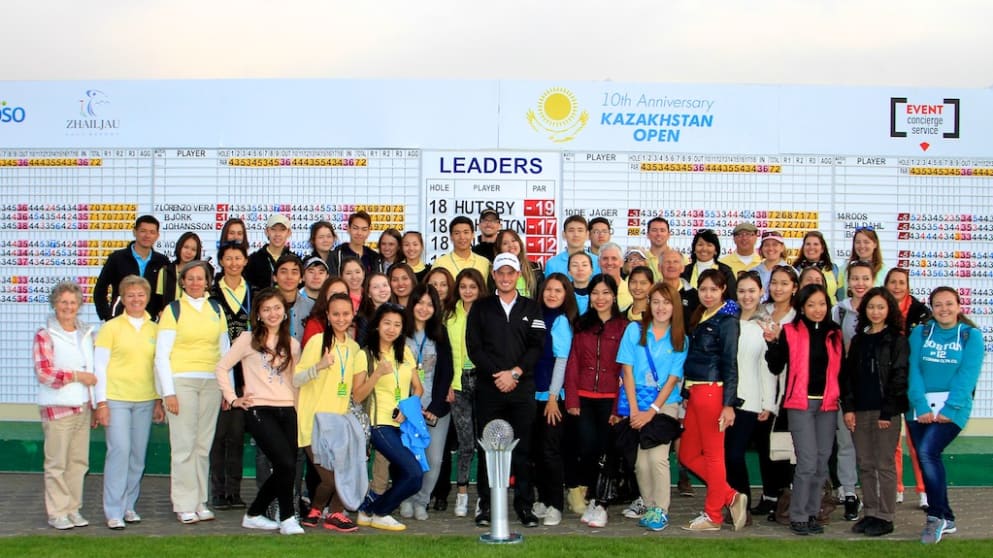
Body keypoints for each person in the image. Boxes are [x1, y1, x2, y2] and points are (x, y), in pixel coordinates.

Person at [466, 253, 546, 528]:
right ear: (494, 275)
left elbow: (537, 345)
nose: (505, 277)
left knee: (523, 450)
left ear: (518, 275)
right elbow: (474, 347)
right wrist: (498, 375)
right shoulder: (481, 308)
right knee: (489, 448)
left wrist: (515, 373)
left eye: (510, 272)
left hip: (521, 389)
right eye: (500, 272)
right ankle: (487, 505)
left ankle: (524, 506)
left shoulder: (531, 308)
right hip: (489, 389)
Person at [215, 289, 303, 535]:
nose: (272, 313)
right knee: (285, 463)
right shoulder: (247, 339)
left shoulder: (293, 344)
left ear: (284, 312)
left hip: (288, 409)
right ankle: (287, 518)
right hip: (259, 410)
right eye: (266, 309)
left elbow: (295, 382)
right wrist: (233, 399)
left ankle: (254, 514)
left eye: (276, 308)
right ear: (258, 314)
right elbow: (221, 368)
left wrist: (298, 412)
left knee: (287, 467)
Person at [906, 287, 983, 544]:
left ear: (959, 306)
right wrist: (921, 405)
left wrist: (950, 409)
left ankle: (935, 516)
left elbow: (967, 376)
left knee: (928, 452)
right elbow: (913, 371)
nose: (944, 309)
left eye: (949, 304)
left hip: (953, 409)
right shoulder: (920, 332)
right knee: (926, 457)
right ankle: (947, 518)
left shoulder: (971, 336)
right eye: (938, 304)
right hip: (919, 409)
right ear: (932, 308)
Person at [155, 260, 230, 524]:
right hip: (182, 382)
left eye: (201, 278)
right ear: (183, 282)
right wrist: (168, 393)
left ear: (208, 282)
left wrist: (227, 391)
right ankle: (184, 503)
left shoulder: (216, 309)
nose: (196, 283)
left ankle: (199, 501)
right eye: (191, 278)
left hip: (211, 383)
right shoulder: (173, 310)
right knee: (184, 445)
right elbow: (161, 355)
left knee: (202, 445)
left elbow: (225, 352)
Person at [765, 284, 843, 536]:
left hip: (828, 405)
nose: (817, 309)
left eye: (822, 304)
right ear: (801, 307)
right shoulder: (790, 331)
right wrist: (772, 344)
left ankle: (812, 513)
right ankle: (797, 515)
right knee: (807, 462)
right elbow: (776, 366)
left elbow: (841, 371)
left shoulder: (835, 333)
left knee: (821, 463)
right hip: (800, 404)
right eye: (811, 305)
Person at [93, 276, 164, 529]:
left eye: (141, 295)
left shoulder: (155, 329)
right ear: (122, 298)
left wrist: (158, 400)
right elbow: (99, 367)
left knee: (137, 456)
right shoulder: (110, 328)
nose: (136, 299)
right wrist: (101, 403)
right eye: (130, 295)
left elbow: (157, 367)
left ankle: (128, 506)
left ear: (148, 297)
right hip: (116, 399)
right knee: (119, 452)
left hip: (145, 400)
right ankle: (113, 510)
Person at [679, 268, 747, 532]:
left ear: (723, 290)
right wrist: (687, 392)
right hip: (696, 392)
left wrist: (728, 404)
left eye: (713, 289)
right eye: (703, 289)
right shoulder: (702, 315)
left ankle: (713, 516)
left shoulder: (727, 320)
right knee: (687, 454)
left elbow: (730, 363)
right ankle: (730, 495)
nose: (708, 294)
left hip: (713, 392)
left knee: (713, 456)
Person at [616, 283, 687, 532]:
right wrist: (635, 410)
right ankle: (648, 506)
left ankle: (661, 510)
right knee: (640, 462)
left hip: (665, 405)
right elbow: (626, 370)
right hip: (636, 402)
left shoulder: (680, 339)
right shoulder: (634, 330)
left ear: (674, 306)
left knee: (657, 458)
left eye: (666, 302)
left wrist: (651, 411)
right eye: (656, 301)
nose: (660, 307)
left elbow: (672, 380)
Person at [840, 287, 909, 537]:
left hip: (885, 413)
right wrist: (848, 408)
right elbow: (847, 377)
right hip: (860, 411)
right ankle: (870, 512)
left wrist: (887, 412)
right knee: (866, 464)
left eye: (881, 307)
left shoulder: (897, 340)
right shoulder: (859, 339)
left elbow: (899, 377)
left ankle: (886, 516)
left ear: (889, 309)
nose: (875, 312)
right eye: (871, 307)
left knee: (884, 464)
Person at [352, 303, 426, 532]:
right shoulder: (364, 354)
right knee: (414, 474)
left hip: (401, 425)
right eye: (387, 323)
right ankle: (380, 512)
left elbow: (418, 389)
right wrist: (376, 374)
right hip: (378, 425)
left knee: (412, 474)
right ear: (377, 325)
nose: (391, 329)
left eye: (397, 325)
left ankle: (369, 510)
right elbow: (357, 395)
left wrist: (408, 409)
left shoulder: (405, 352)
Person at [294, 291, 362, 533]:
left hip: (339, 424)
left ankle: (326, 513)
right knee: (330, 478)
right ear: (328, 316)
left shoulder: (354, 348)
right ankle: (322, 511)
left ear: (353, 315)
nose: (341, 319)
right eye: (336, 314)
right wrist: (319, 366)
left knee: (344, 474)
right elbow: (296, 378)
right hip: (313, 423)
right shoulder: (317, 342)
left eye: (346, 314)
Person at [564, 274, 628, 528]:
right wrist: (572, 399)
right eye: (595, 293)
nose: (600, 298)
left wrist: (619, 407)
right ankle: (591, 495)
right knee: (588, 448)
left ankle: (600, 503)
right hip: (584, 397)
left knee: (607, 450)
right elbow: (573, 362)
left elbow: (626, 370)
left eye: (605, 293)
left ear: (614, 296)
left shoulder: (624, 327)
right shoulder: (581, 325)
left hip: (611, 398)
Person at [33, 281, 97, 530]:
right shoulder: (45, 334)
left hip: (82, 406)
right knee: (57, 463)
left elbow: (93, 370)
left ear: (79, 305)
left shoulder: (85, 333)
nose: (68, 307)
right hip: (57, 407)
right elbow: (45, 373)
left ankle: (73, 509)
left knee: (78, 463)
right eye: (63, 302)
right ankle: (57, 512)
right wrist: (77, 376)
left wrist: (94, 403)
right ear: (54, 304)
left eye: (72, 302)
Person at [724, 271, 777, 525]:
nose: (747, 296)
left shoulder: (767, 325)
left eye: (752, 291)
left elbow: (768, 368)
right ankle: (734, 504)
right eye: (742, 291)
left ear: (761, 293)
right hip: (726, 399)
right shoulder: (727, 321)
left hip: (752, 400)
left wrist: (768, 403)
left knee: (734, 454)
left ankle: (741, 503)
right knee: (726, 455)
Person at [400, 284, 455, 521]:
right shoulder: (400, 331)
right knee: (408, 458)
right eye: (419, 303)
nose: (424, 308)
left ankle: (422, 500)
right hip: (406, 409)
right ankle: (405, 498)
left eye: (429, 304)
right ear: (412, 304)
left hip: (435, 409)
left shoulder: (440, 333)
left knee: (433, 460)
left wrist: (435, 407)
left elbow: (447, 371)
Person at [530, 273, 577, 526]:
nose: (552, 294)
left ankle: (556, 505)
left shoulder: (560, 321)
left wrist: (552, 397)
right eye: (548, 289)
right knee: (537, 451)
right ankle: (543, 499)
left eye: (558, 290)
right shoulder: (536, 316)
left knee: (550, 452)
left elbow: (561, 360)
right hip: (532, 394)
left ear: (566, 295)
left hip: (552, 397)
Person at [751, 265, 798, 518]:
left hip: (787, 387)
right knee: (763, 442)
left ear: (794, 288)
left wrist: (780, 340)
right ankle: (768, 494)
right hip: (759, 385)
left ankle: (784, 497)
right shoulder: (761, 311)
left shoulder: (797, 316)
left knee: (783, 443)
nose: (778, 288)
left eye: (784, 283)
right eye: (775, 283)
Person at [208, 241, 252, 511]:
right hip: (220, 365)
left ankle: (234, 492)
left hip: (246, 369)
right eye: (228, 258)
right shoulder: (212, 293)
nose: (234, 263)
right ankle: (218, 491)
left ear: (245, 261)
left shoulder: (253, 292)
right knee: (219, 434)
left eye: (238, 258)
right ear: (221, 262)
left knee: (236, 433)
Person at [884, 267, 930, 507]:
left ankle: (924, 491)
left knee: (917, 440)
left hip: (915, 381)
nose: (897, 287)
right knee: (891, 440)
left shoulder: (921, 312)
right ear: (886, 284)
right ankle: (896, 488)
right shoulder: (880, 308)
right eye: (893, 282)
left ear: (908, 286)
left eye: (901, 282)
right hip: (889, 382)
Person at [444, 267, 488, 517]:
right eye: (463, 287)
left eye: (473, 287)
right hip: (458, 383)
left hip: (483, 381)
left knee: (484, 441)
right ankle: (462, 493)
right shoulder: (449, 314)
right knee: (465, 442)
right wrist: (448, 383)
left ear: (480, 288)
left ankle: (483, 497)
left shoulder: (488, 313)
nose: (468, 291)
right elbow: (444, 352)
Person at [833, 260, 874, 519]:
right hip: (845, 386)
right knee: (846, 442)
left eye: (865, 278)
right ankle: (849, 492)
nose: (860, 283)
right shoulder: (839, 311)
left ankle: (874, 496)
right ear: (848, 282)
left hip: (872, 389)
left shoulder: (880, 308)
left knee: (872, 446)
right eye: (855, 278)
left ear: (873, 280)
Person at [93, 215, 169, 320]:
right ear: (134, 232)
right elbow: (100, 290)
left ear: (157, 235)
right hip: (120, 319)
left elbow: (166, 293)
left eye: (152, 232)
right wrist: (107, 316)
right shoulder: (117, 258)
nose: (147, 235)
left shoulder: (162, 261)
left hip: (150, 321)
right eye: (143, 231)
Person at [154, 231, 203, 314]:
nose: (189, 252)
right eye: (186, 247)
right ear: (179, 247)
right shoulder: (166, 271)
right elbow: (158, 300)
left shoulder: (200, 273)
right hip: (170, 317)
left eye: (193, 249)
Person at [244, 214, 294, 292]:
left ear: (289, 233)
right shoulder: (253, 260)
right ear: (266, 231)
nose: (277, 234)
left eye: (282, 230)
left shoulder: (294, 260)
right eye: (273, 229)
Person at [682, 228, 737, 298]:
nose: (704, 249)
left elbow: (732, 298)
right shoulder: (684, 271)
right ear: (694, 249)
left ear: (716, 250)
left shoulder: (725, 272)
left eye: (709, 245)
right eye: (700, 244)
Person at [544, 215, 601, 279]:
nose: (576, 234)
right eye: (571, 230)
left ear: (587, 234)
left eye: (580, 230)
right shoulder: (552, 264)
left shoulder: (598, 262)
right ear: (564, 235)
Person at [792, 231, 842, 304]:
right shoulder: (795, 270)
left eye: (816, 244)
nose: (811, 247)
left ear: (822, 249)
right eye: (808, 244)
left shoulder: (834, 269)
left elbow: (841, 297)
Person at [329, 210, 384, 275]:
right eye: (355, 228)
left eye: (364, 229)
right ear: (348, 229)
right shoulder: (337, 255)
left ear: (369, 232)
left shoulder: (374, 257)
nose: (359, 233)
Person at [302, 276, 351, 347]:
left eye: (343, 294)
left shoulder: (352, 323)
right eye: (334, 295)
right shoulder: (314, 324)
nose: (339, 299)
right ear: (325, 297)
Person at [495, 228, 543, 298]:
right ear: (499, 249)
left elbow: (540, 298)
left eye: (513, 240)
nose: (511, 245)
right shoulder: (495, 271)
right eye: (505, 243)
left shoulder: (535, 268)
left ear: (520, 243)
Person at [755, 230, 790, 297]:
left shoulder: (792, 272)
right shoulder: (753, 272)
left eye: (775, 245)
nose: (770, 248)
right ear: (761, 249)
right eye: (766, 245)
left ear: (782, 248)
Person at [598, 242, 632, 310]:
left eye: (614, 258)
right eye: (605, 258)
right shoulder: (592, 291)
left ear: (622, 263)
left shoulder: (631, 291)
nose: (609, 263)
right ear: (599, 263)